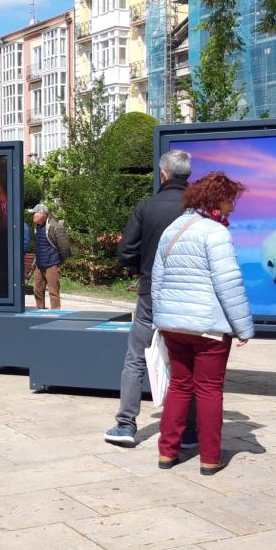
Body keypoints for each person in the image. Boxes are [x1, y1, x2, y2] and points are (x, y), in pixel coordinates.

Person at [150, 172, 254, 475]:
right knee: (209, 390)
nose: (232, 208)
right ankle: (210, 458)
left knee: (180, 387)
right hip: (208, 328)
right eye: (229, 200)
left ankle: (167, 453)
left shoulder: (173, 229)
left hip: (174, 327)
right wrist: (243, 326)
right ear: (215, 200)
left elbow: (158, 279)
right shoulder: (216, 233)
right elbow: (228, 283)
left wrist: (161, 317)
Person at [105, 148, 197, 447]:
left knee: (136, 357)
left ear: (164, 173)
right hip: (188, 295)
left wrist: (143, 270)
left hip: (150, 293)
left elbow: (125, 251)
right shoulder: (198, 208)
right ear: (187, 174)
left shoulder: (148, 206)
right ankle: (189, 431)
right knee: (187, 359)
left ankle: (126, 424)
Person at [29, 203, 71, 309]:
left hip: (52, 263)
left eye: (35, 213)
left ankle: (55, 312)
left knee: (53, 291)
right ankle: (40, 309)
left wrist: (59, 262)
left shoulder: (55, 227)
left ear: (43, 214)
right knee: (37, 289)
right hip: (40, 263)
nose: (33, 216)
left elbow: (64, 247)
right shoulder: (37, 226)